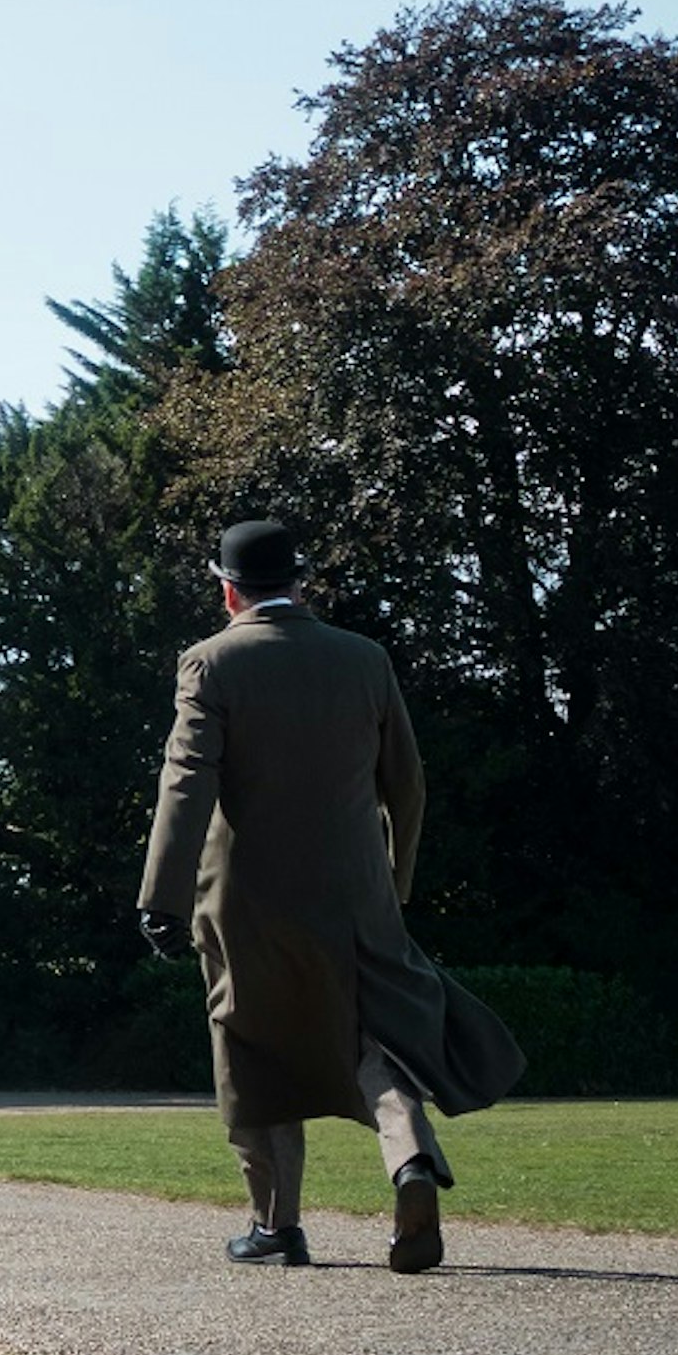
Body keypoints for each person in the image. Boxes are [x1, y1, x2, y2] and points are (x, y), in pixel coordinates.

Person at [138, 518, 523, 1273]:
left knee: (253, 1051)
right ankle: (409, 1161)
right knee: (374, 1044)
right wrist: (393, 880)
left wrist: (163, 897)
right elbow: (406, 784)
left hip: (246, 899)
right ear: (298, 582)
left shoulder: (210, 664)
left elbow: (187, 784)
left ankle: (277, 1227)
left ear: (227, 591)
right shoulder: (364, 659)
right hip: (356, 896)